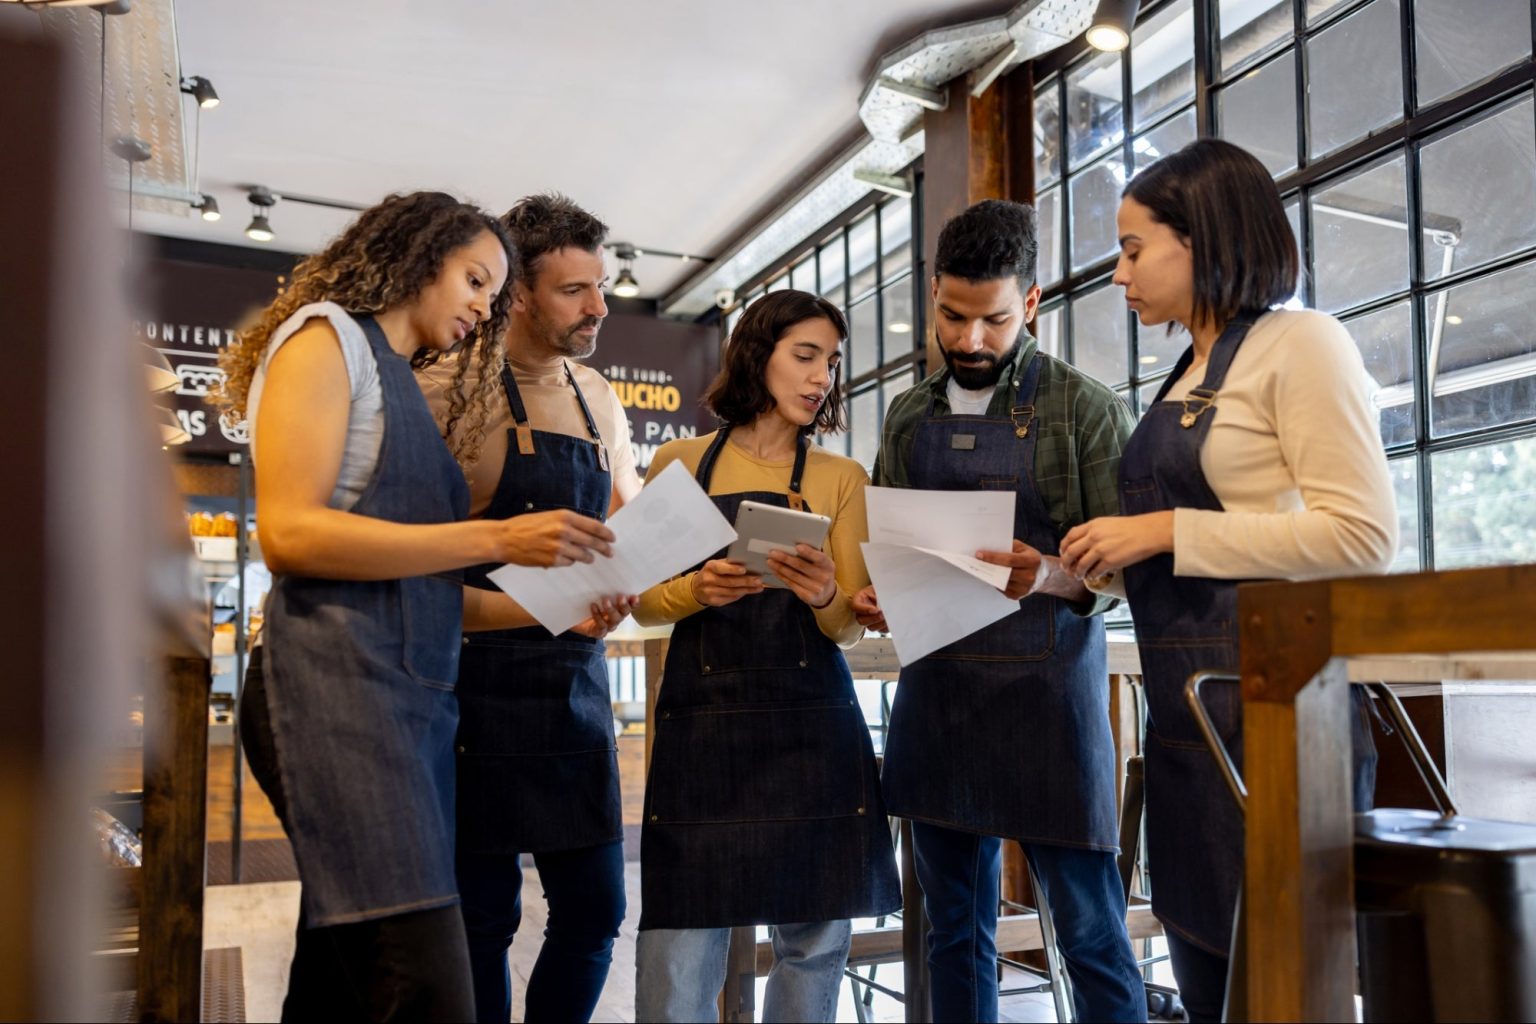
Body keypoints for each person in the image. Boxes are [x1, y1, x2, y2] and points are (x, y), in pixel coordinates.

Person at [217, 191, 621, 1021]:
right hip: (333, 691)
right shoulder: (325, 340)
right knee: (429, 980)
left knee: (340, 970)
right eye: (475, 280)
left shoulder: (396, 375)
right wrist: (496, 543)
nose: (483, 305)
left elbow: (421, 578)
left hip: (405, 700)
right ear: (416, 256)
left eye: (492, 288)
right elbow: (288, 537)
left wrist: (566, 601)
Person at [1060, 138, 1394, 1022]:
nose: (1120, 275)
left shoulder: (1303, 344)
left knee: (1285, 994)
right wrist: (1071, 575)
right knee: (1209, 985)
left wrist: (1165, 527)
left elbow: (1361, 539)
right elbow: (1176, 563)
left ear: (1200, 239)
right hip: (1190, 731)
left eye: (1133, 250)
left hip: (1283, 729)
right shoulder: (1186, 373)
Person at [854, 199, 1147, 1023]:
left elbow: (1125, 575)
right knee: (952, 931)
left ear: (1031, 302)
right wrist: (885, 593)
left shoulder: (1083, 410)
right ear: (933, 298)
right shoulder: (910, 415)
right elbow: (898, 543)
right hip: (939, 694)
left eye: (991, 319)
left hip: (1049, 701)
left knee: (1088, 930)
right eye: (952, 316)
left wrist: (1048, 573)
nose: (970, 339)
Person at [632, 289, 901, 1023]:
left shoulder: (840, 478)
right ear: (759, 354)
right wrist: (697, 590)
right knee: (680, 938)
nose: (822, 378)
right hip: (704, 729)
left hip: (814, 728)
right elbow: (641, 602)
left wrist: (824, 598)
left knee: (815, 941)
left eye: (832, 363)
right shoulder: (682, 463)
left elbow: (846, 628)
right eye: (805, 356)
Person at [417, 193, 642, 1024]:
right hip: (471, 690)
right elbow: (418, 584)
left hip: (576, 694)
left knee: (595, 915)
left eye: (601, 287)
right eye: (575, 291)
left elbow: (623, 529)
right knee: (482, 919)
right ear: (518, 295)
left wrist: (630, 580)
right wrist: (549, 610)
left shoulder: (599, 399)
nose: (600, 307)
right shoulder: (445, 391)